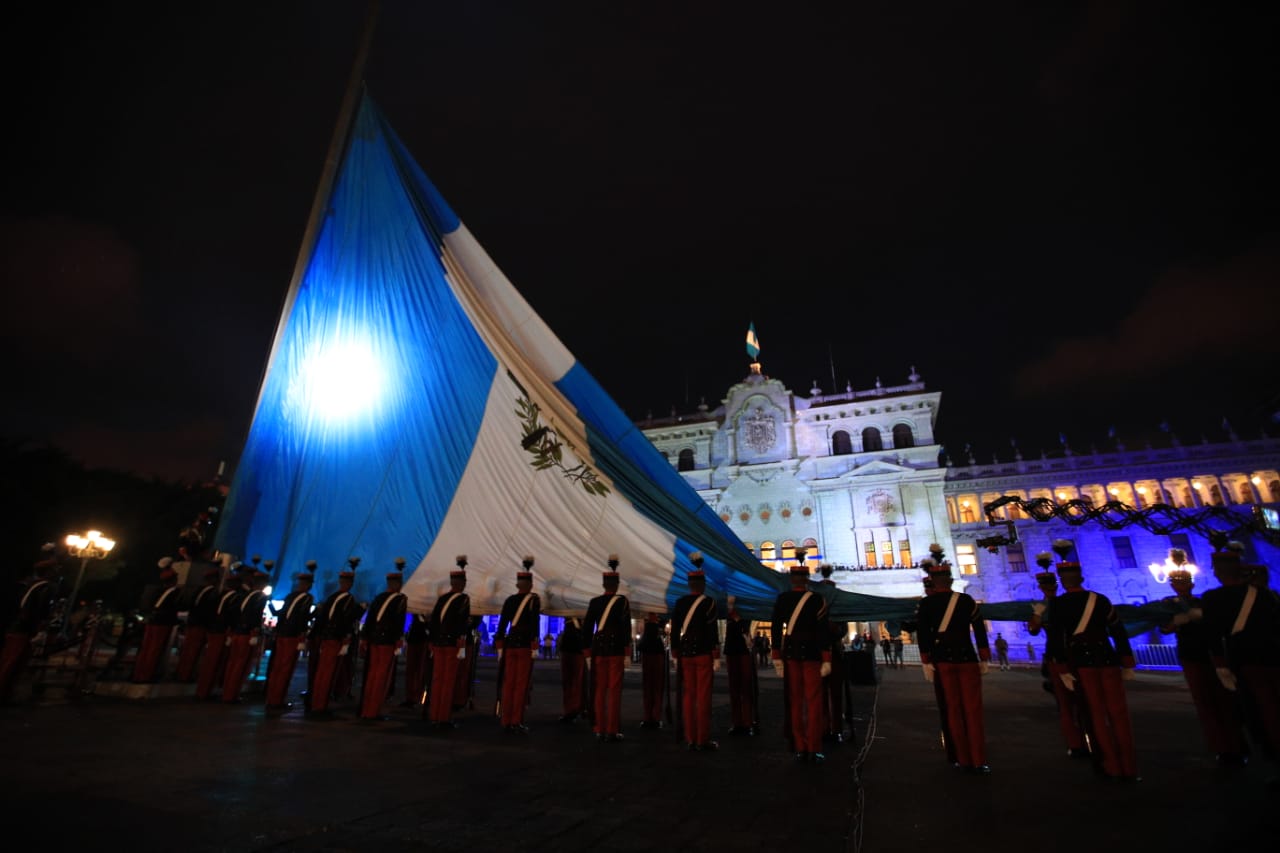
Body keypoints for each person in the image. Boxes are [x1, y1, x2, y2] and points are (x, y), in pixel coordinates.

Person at [1045, 545, 1140, 782]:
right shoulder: (1101, 600)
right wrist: (1127, 661)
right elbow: (1118, 631)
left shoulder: (1058, 605)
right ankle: (1128, 766)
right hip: (1108, 658)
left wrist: (1062, 667)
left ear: (1062, 582)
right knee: (1119, 713)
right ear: (1082, 578)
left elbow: (1056, 638)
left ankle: (1109, 764)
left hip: (1081, 662)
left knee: (1095, 714)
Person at [1156, 550, 1250, 765]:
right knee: (1206, 703)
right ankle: (1222, 747)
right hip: (1192, 655)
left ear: (1191, 584)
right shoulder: (1169, 605)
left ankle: (1236, 743)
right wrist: (1178, 621)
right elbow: (1165, 627)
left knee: (1225, 701)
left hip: (1212, 654)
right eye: (1176, 584)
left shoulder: (1205, 601)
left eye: (1184, 583)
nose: (1180, 587)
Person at [1202, 547, 1280, 782]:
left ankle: (1273, 759)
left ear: (1217, 572)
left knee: (1261, 711)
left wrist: (1220, 665)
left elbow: (1213, 635)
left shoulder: (1214, 599)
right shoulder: (1265, 595)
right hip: (1275, 657)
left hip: (1246, 661)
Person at [914, 552, 991, 774]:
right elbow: (979, 628)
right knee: (973, 710)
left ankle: (962, 758)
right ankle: (979, 758)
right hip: (967, 657)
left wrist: (926, 660)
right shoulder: (965, 601)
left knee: (953, 709)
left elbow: (923, 634)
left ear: (934, 582)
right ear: (950, 580)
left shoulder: (927, 605)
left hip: (943, 660)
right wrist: (984, 655)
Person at [771, 549, 832, 763]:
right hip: (812, 653)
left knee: (795, 699)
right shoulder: (818, 600)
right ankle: (813, 746)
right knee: (813, 700)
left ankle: (799, 745)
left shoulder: (783, 599)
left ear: (791, 580)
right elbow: (823, 630)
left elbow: (776, 627)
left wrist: (776, 654)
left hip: (791, 652)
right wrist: (826, 657)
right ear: (807, 580)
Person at [1027, 551, 1090, 759]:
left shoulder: (1061, 604)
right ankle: (1079, 741)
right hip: (1067, 657)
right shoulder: (1045, 607)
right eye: (1047, 587)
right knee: (1070, 701)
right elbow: (1034, 629)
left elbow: (1036, 629)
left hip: (1068, 656)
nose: (1049, 589)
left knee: (1079, 701)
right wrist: (1037, 615)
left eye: (1052, 586)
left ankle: (1081, 741)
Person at [670, 552, 720, 751]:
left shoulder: (681, 603)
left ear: (690, 585)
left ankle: (690, 737)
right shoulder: (709, 603)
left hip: (685, 653)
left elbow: (674, 630)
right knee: (703, 696)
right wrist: (715, 655)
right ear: (703, 585)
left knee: (689, 695)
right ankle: (702, 739)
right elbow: (712, 630)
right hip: (703, 652)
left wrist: (675, 653)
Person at [582, 554, 632, 742]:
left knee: (599, 690)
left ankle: (598, 728)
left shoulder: (595, 602)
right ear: (617, 585)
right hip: (616, 649)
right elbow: (626, 628)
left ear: (603, 585)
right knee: (614, 691)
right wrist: (627, 653)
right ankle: (611, 730)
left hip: (598, 649)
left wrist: (587, 654)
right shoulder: (622, 602)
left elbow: (586, 630)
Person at [1, 553, 57, 704]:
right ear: (48, 572)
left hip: (17, 628)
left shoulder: (30, 586)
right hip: (24, 630)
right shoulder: (45, 587)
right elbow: (38, 610)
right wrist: (39, 629)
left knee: (10, 662)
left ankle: (6, 692)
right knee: (13, 663)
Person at [307, 565, 362, 717]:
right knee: (328, 673)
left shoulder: (331, 598)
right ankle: (320, 706)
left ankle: (315, 702)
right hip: (336, 639)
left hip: (325, 638)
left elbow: (321, 618)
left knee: (321, 672)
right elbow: (347, 619)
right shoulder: (348, 599)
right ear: (349, 584)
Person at [495, 557, 541, 733]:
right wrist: (534, 646)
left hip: (509, 645)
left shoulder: (509, 601)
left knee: (508, 683)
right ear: (529, 585)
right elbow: (534, 624)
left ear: (517, 584)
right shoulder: (533, 600)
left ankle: (505, 719)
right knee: (521, 684)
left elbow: (501, 626)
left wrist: (500, 648)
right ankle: (516, 720)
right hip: (524, 646)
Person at [358, 559, 408, 720]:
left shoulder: (379, 598)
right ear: (397, 583)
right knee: (382, 676)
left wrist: (365, 638)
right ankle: (374, 711)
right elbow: (398, 621)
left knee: (372, 675)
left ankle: (366, 709)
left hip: (374, 640)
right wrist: (399, 639)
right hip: (387, 642)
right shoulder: (400, 599)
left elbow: (370, 619)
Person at [425, 556, 471, 729]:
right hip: (452, 644)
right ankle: (443, 717)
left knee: (437, 680)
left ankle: (434, 715)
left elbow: (434, 621)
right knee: (448, 681)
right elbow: (461, 622)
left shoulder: (442, 599)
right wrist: (461, 642)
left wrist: (432, 641)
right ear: (461, 583)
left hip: (438, 643)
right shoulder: (463, 599)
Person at [264, 563, 315, 712]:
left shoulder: (290, 596)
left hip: (281, 634)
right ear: (307, 585)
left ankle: (271, 698)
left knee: (277, 668)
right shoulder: (307, 598)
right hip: (293, 636)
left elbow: (278, 614)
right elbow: (302, 616)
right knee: (286, 669)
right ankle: (278, 700)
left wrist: (269, 602)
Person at [194, 565, 244, 700]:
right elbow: (232, 615)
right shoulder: (235, 597)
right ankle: (205, 692)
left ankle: (203, 690)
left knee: (209, 661)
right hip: (222, 631)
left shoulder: (219, 595)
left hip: (213, 629)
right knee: (215, 662)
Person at [222, 564, 269, 703]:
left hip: (237, 632)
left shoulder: (244, 595)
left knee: (232, 663)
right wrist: (255, 632)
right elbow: (256, 615)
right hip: (248, 634)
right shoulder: (260, 597)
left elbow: (234, 612)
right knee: (241, 665)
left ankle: (226, 693)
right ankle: (232, 695)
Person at [131, 558, 182, 683]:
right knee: (155, 649)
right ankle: (147, 675)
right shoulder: (174, 592)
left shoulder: (156, 590)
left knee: (146, 648)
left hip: (152, 620)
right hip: (163, 623)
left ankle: (138, 674)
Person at [817, 563, 848, 744]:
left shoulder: (837, 609)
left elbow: (841, 630)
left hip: (833, 652)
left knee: (834, 693)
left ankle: (835, 727)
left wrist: (833, 628)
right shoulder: (817, 607)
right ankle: (826, 725)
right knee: (821, 693)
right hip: (822, 653)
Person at [175, 566, 221, 682]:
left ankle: (181, 673)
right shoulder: (212, 593)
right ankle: (187, 675)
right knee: (193, 651)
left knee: (187, 649)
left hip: (192, 622)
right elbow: (210, 610)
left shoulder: (199, 590)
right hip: (201, 624)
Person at [723, 594, 757, 736]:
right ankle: (737, 722)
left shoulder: (745, 604)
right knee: (735, 688)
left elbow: (745, 625)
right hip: (733, 648)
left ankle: (747, 722)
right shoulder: (726, 604)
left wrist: (732, 610)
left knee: (745, 687)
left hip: (743, 649)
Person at [638, 610, 668, 730]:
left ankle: (652, 717)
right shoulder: (654, 625)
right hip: (653, 653)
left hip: (651, 653)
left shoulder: (656, 625)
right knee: (652, 686)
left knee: (652, 686)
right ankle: (652, 717)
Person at [558, 615, 588, 723]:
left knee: (575, 682)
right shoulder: (571, 619)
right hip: (573, 648)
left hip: (575, 649)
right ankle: (572, 709)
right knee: (571, 682)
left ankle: (574, 709)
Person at [401, 610, 430, 708]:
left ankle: (418, 696)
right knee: (411, 669)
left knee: (421, 670)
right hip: (414, 637)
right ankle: (410, 697)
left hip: (425, 638)